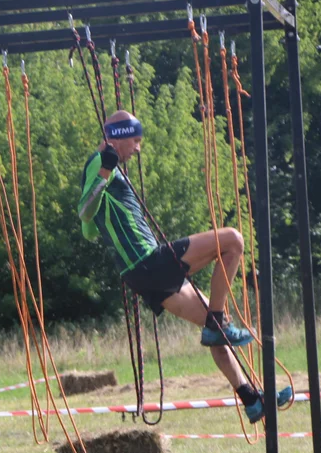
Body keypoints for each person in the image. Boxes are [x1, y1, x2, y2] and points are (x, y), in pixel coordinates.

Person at [78, 110, 292, 423]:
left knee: (214, 330)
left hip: (141, 275)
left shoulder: (108, 170)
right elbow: (85, 212)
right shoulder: (100, 163)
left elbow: (89, 230)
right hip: (146, 261)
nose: (138, 149)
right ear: (119, 136)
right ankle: (218, 322)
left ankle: (252, 400)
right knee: (233, 240)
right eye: (135, 141)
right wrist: (104, 173)